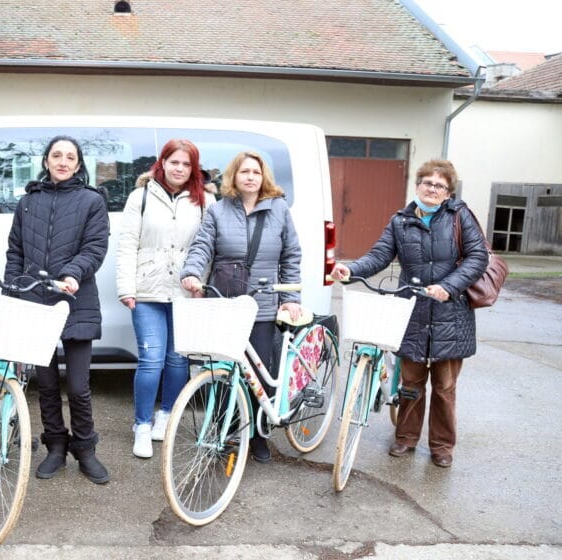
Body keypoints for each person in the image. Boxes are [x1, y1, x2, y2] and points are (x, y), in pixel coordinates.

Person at [330, 159, 487, 468]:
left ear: (448, 192)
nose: (432, 188)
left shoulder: (460, 216)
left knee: (444, 386)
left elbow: (477, 256)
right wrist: (351, 269)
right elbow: (379, 255)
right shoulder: (400, 221)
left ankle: (442, 446)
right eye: (427, 182)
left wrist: (449, 286)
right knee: (411, 382)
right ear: (417, 185)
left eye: (439, 185)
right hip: (412, 309)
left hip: (450, 311)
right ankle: (405, 438)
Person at [180, 150, 302, 464]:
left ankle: (258, 436)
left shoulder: (279, 210)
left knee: (257, 376)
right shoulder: (218, 211)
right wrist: (192, 273)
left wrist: (290, 299)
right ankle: (225, 431)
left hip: (262, 304)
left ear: (264, 178)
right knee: (222, 370)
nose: (250, 177)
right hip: (226, 301)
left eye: (256, 172)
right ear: (234, 176)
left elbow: (291, 256)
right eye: (244, 171)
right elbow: (202, 245)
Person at [5, 135, 111, 484]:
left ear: (78, 164)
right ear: (46, 161)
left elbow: (95, 247)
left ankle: (86, 448)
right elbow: (15, 251)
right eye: (56, 155)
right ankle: (55, 446)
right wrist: (13, 290)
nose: (63, 161)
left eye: (70, 157)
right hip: (35, 301)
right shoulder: (27, 203)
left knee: (78, 385)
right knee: (46, 383)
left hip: (75, 300)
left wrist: (73, 273)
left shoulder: (92, 201)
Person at [116, 139, 216, 459]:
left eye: (186, 164)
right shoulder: (141, 196)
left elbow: (211, 248)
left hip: (186, 292)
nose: (179, 169)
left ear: (193, 169)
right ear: (162, 162)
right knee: (151, 360)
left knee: (178, 360)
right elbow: (127, 244)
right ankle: (142, 425)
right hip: (147, 292)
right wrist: (126, 288)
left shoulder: (205, 201)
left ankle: (166, 416)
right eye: (174, 162)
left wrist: (202, 285)